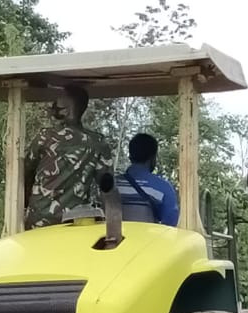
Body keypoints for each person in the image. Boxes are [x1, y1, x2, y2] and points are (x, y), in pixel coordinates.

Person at [23, 85, 114, 229]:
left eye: (57, 105)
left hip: (39, 221)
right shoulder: (97, 143)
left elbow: (24, 174)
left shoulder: (45, 137)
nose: (53, 108)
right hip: (75, 222)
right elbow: (107, 187)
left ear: (68, 110)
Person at [115, 132, 180, 227]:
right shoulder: (164, 188)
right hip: (149, 241)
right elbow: (170, 226)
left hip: (115, 241)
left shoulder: (112, 186)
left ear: (130, 156)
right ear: (153, 158)